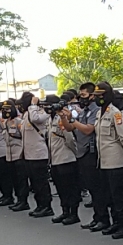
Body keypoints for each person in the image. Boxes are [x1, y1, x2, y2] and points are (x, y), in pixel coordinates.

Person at [93, 82, 123, 239]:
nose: (98, 98)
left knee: (119, 195)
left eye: (100, 95)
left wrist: (120, 152)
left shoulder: (115, 113)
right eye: (96, 96)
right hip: (103, 160)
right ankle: (116, 222)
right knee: (109, 194)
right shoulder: (100, 113)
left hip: (115, 159)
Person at [60, 83, 103, 230]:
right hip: (82, 152)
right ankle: (97, 217)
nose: (81, 98)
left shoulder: (96, 110)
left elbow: (88, 130)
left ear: (92, 96)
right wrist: (64, 117)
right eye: (80, 95)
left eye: (84, 95)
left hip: (91, 152)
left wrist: (72, 120)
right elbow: (70, 127)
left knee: (97, 188)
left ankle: (102, 218)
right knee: (91, 187)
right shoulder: (84, 111)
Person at [44, 95, 81, 225]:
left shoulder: (61, 119)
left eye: (48, 105)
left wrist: (75, 154)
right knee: (60, 188)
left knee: (70, 188)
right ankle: (65, 211)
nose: (46, 108)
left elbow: (70, 139)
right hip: (55, 160)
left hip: (66, 159)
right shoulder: (51, 119)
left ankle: (73, 213)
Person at [20, 93, 54, 217]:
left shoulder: (41, 112)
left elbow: (36, 120)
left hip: (39, 154)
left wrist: (33, 105)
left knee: (41, 182)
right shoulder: (25, 115)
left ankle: (47, 206)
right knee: (35, 183)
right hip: (29, 154)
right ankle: (40, 205)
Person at [1, 99, 30, 211]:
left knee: (21, 179)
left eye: (8, 109)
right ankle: (18, 199)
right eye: (4, 109)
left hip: (19, 154)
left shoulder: (19, 121)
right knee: (14, 179)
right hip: (9, 155)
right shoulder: (6, 122)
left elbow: (23, 137)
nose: (5, 111)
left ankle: (24, 201)